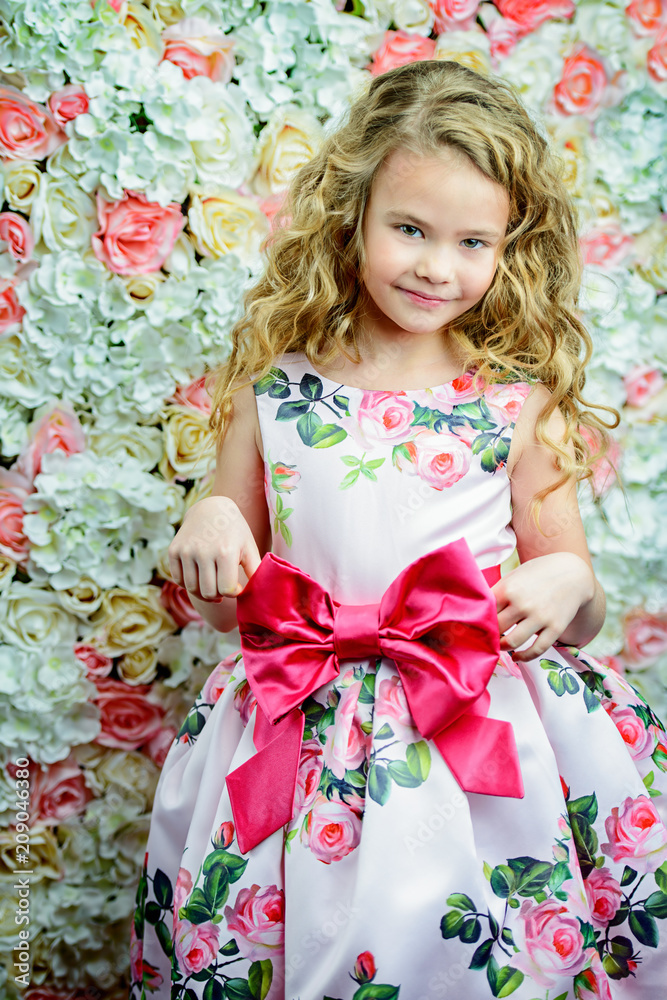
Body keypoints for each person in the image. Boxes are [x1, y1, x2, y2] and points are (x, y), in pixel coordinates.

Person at [130, 60, 667, 999]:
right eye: (409, 229)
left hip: (471, 712)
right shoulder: (275, 393)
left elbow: (572, 609)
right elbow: (230, 611)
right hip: (301, 724)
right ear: (354, 215)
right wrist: (208, 517)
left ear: (510, 247)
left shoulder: (515, 404)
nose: (435, 266)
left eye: (472, 242)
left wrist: (571, 582)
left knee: (484, 952)